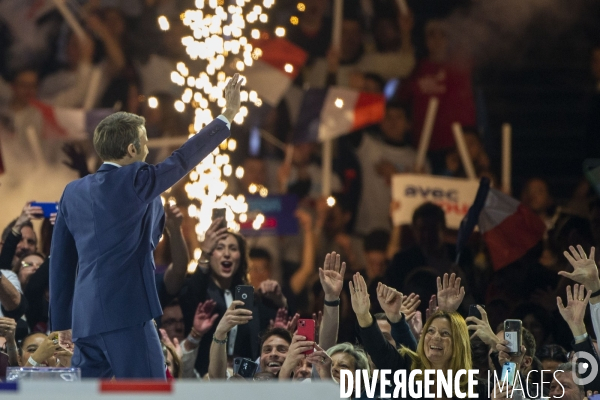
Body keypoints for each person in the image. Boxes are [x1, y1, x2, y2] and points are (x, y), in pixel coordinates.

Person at [49, 74, 244, 379]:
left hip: (85, 320)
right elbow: (182, 160)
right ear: (130, 150)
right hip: (126, 315)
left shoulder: (72, 192)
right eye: (143, 141)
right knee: (151, 391)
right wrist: (227, 115)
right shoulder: (137, 179)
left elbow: (60, 262)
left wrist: (61, 321)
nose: (147, 147)